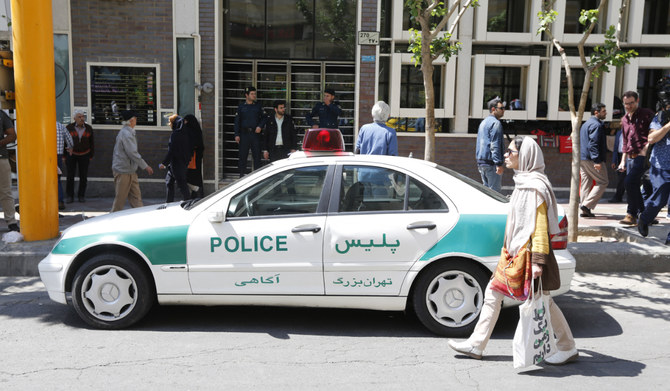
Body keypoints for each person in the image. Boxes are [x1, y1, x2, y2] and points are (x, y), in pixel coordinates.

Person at [448, 136, 578, 365]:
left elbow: (539, 228)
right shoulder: (523, 182)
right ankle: (476, 344)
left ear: (525, 155)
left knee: (542, 300)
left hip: (528, 256)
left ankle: (567, 346)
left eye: (511, 152)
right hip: (514, 253)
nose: (506, 155)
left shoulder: (535, 187)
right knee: (494, 293)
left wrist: (538, 263)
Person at [617, 91, 655, 225]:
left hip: (644, 156)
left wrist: (646, 149)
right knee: (631, 184)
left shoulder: (646, 114)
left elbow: (654, 132)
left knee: (629, 182)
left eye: (631, 103)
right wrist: (623, 161)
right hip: (630, 157)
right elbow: (626, 141)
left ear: (637, 101)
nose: (628, 106)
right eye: (626, 104)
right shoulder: (625, 119)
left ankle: (636, 213)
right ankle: (637, 214)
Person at [638, 104, 670, 242]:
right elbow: (651, 139)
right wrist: (668, 126)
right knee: (659, 200)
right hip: (661, 165)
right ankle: (645, 218)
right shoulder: (660, 118)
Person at [111, 110, 154, 212]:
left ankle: (140, 217)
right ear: (131, 121)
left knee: (136, 197)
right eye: (135, 119)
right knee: (120, 201)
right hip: (123, 171)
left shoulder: (128, 132)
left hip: (130, 170)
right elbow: (132, 153)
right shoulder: (126, 134)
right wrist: (145, 166)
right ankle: (111, 219)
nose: (136, 120)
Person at [579, 103, 609, 217]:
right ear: (596, 112)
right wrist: (597, 161)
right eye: (603, 111)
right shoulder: (596, 125)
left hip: (583, 158)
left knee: (586, 183)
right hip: (592, 159)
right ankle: (586, 205)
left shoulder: (586, 124)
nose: (605, 113)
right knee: (603, 181)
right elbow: (593, 144)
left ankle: (585, 210)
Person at [159, 115, 192, 203]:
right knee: (169, 182)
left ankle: (189, 203)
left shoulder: (175, 135)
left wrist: (164, 163)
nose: (169, 124)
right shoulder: (185, 133)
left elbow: (172, 151)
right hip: (178, 164)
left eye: (171, 123)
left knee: (182, 185)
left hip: (177, 165)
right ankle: (169, 203)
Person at [234, 86, 266, 176]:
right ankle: (241, 176)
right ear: (246, 95)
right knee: (243, 156)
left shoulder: (258, 106)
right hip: (244, 135)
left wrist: (260, 126)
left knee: (257, 157)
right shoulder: (241, 107)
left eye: (255, 94)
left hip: (255, 135)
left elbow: (264, 118)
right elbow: (237, 121)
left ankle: (257, 177)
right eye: (252, 94)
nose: (254, 95)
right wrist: (236, 134)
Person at [475, 98, 505, 192]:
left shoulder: (483, 122)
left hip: (481, 162)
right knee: (495, 194)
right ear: (493, 109)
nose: (503, 110)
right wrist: (498, 163)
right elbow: (495, 144)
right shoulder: (496, 123)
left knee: (487, 194)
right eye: (501, 108)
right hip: (491, 163)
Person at [65, 110, 94, 203]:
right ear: (74, 118)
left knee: (83, 176)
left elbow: (92, 143)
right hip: (71, 155)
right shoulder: (69, 128)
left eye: (83, 116)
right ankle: (70, 196)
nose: (82, 118)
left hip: (85, 155)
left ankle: (81, 195)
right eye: (79, 117)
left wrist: (91, 155)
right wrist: (64, 156)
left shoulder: (89, 128)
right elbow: (64, 141)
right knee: (70, 176)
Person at [0, 110, 18, 231]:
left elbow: (13, 135)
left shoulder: (1, 114)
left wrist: (0, 142)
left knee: (6, 191)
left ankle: (11, 222)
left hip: (1, 157)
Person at [184, 114, 205, 199]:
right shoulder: (197, 131)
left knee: (188, 177)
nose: (184, 122)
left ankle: (195, 191)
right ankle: (195, 193)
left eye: (186, 121)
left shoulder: (190, 131)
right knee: (195, 176)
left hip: (192, 159)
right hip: (196, 158)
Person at [56, 121, 74, 210]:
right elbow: (69, 140)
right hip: (58, 155)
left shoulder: (41, 125)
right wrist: (69, 147)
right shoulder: (60, 126)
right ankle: (60, 201)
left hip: (44, 155)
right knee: (57, 179)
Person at [609, 128, 626, 203]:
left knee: (623, 178)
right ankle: (618, 196)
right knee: (620, 177)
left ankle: (618, 196)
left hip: (628, 156)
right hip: (619, 156)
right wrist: (614, 160)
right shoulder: (619, 132)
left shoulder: (631, 131)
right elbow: (615, 147)